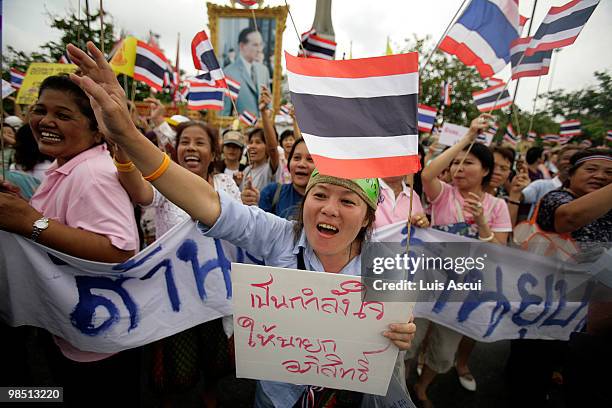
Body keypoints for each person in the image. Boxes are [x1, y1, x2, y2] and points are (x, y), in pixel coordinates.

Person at [67, 40, 416, 408]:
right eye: (320, 195)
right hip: (276, 399)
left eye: (347, 201)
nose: (330, 209)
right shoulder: (278, 236)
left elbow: (398, 329)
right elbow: (207, 203)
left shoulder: (387, 266)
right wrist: (127, 136)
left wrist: (402, 332)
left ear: (367, 217)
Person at [0, 74, 140, 406]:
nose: (46, 121)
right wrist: (24, 207)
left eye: (63, 115)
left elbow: (118, 248)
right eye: (40, 110)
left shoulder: (93, 174)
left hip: (95, 345)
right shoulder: (67, 166)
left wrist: (30, 221)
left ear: (96, 131)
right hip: (73, 331)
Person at [114, 120, 240, 404]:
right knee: (178, 373)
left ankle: (210, 395)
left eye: (200, 142)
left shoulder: (225, 183)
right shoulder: (163, 183)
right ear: (175, 148)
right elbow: (140, 192)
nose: (192, 148)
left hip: (216, 295)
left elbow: (239, 230)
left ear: (213, 152)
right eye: (185, 142)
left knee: (217, 363)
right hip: (174, 297)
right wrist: (123, 156)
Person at [408, 114, 512, 405]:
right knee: (410, 341)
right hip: (426, 283)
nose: (458, 167)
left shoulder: (497, 206)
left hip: (462, 293)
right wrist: (467, 139)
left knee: (443, 351)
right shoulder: (443, 195)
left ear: (486, 170)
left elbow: (499, 251)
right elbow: (427, 174)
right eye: (455, 162)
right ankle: (401, 386)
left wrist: (481, 222)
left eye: (468, 162)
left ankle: (423, 387)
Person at [507, 148, 612, 407]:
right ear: (571, 175)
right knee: (530, 371)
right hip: (546, 307)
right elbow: (569, 218)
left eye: (609, 173)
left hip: (593, 317)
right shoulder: (557, 199)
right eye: (591, 169)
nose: (600, 176)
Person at [258, 138, 315, 219]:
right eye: (297, 157)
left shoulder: (327, 205)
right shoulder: (271, 193)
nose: (301, 164)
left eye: (310, 159)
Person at [221, 27, 271, 116]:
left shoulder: (264, 70)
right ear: (242, 46)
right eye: (255, 45)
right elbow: (224, 114)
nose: (260, 49)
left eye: (261, 44)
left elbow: (269, 105)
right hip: (241, 128)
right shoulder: (228, 73)